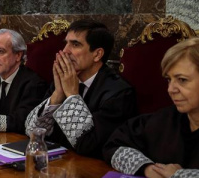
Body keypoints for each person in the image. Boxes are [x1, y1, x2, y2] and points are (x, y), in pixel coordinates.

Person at [103, 37, 199, 178]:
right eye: (169, 79)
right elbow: (114, 145)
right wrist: (147, 168)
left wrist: (179, 175)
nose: (171, 89)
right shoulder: (164, 119)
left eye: (182, 80)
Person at [25, 20, 136, 158]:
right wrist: (58, 94)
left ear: (97, 54)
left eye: (75, 44)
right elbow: (32, 132)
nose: (65, 51)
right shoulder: (63, 81)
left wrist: (72, 95)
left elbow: (89, 146)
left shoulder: (119, 93)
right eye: (66, 43)